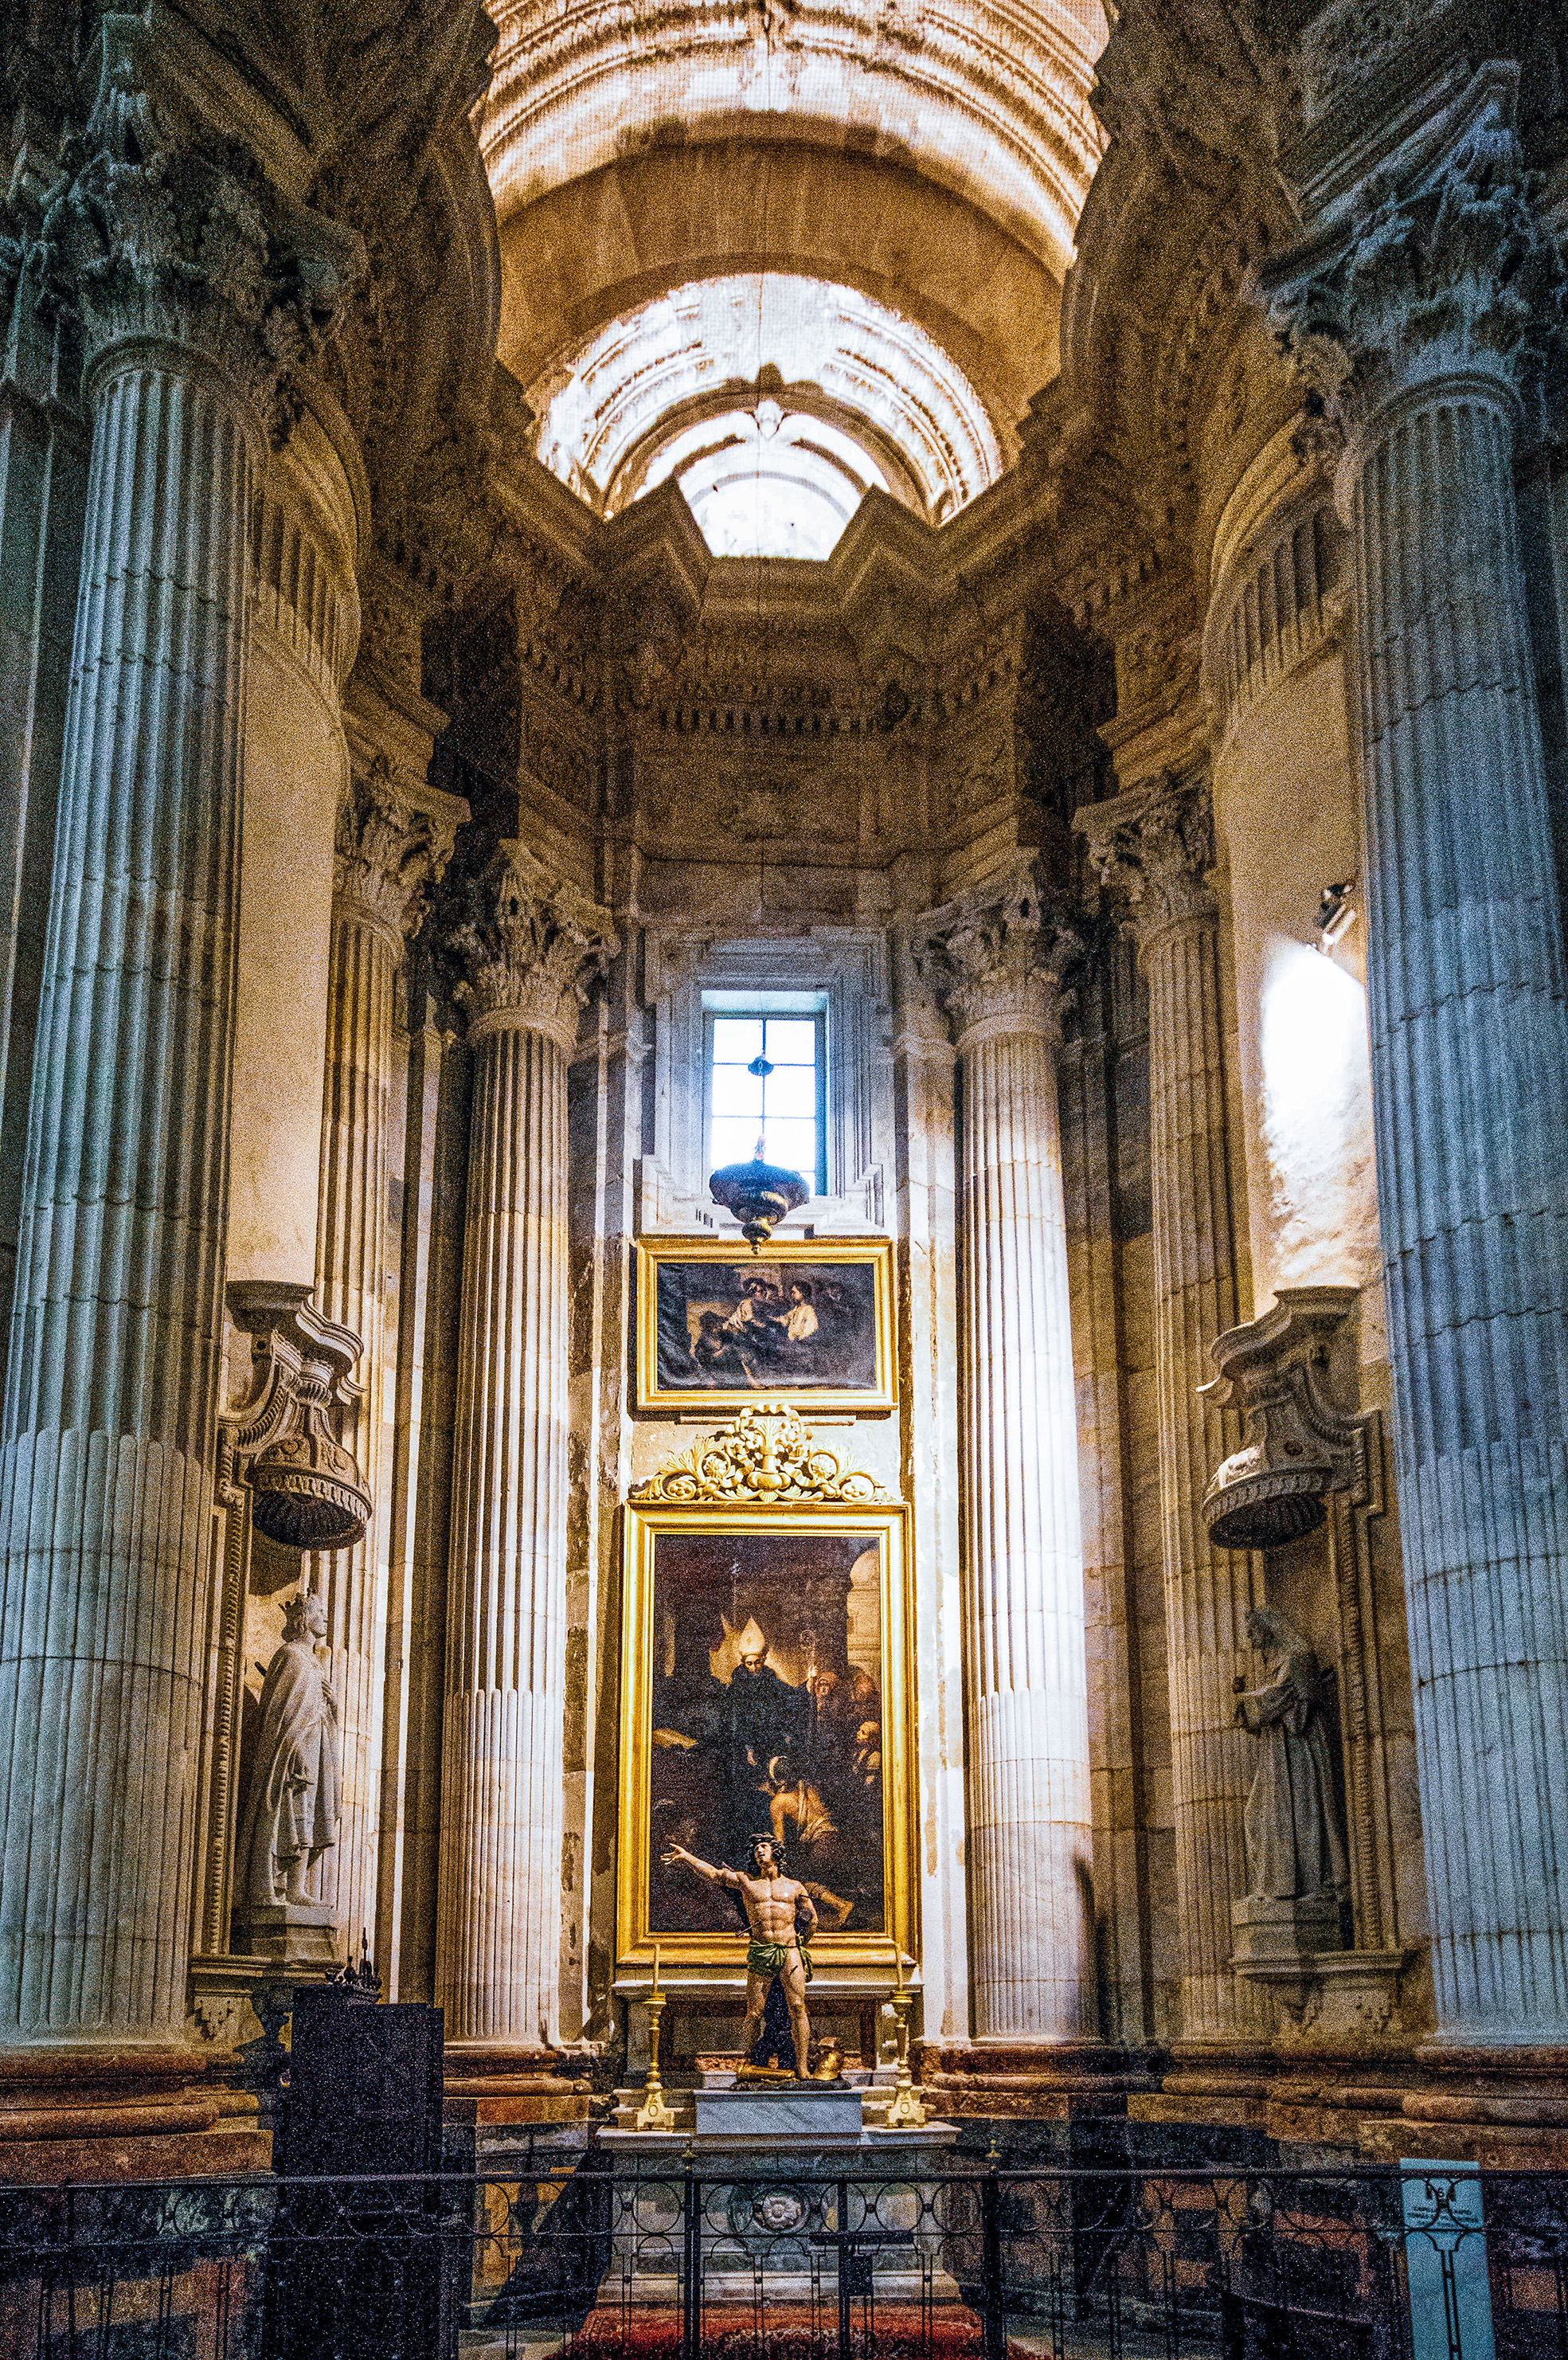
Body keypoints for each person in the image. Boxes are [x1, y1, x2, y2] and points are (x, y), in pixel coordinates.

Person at [662, 1832, 819, 2075]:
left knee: (798, 2006)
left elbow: (813, 1920)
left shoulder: (795, 1886)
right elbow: (714, 1874)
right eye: (756, 1848)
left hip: (790, 1951)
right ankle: (749, 2061)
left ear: (775, 1851)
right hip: (762, 1950)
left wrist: (800, 1943)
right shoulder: (747, 1881)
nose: (759, 1851)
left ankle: (801, 2067)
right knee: (754, 2011)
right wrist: (686, 1857)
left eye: (764, 1847)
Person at [1234, 1607, 1350, 1905]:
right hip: (1278, 1751)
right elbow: (1277, 1699)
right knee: (1258, 1815)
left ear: (1268, 1628)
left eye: (1251, 1630)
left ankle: (1311, 1885)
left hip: (1300, 1752)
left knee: (1303, 1813)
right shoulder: (1279, 1662)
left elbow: (1296, 1704)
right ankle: (1277, 1886)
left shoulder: (1298, 1657)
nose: (1248, 1637)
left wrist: (1243, 1701)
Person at [237, 1590, 342, 1912]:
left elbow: (320, 1710)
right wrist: (290, 1746)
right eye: (319, 1611)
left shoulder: (314, 1661)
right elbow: (279, 1711)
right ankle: (265, 1887)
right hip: (294, 1751)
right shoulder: (291, 1656)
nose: (325, 1616)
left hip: (317, 1749)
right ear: (304, 1619)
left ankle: (296, 1889)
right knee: (286, 1816)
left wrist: (333, 1703)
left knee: (307, 1820)